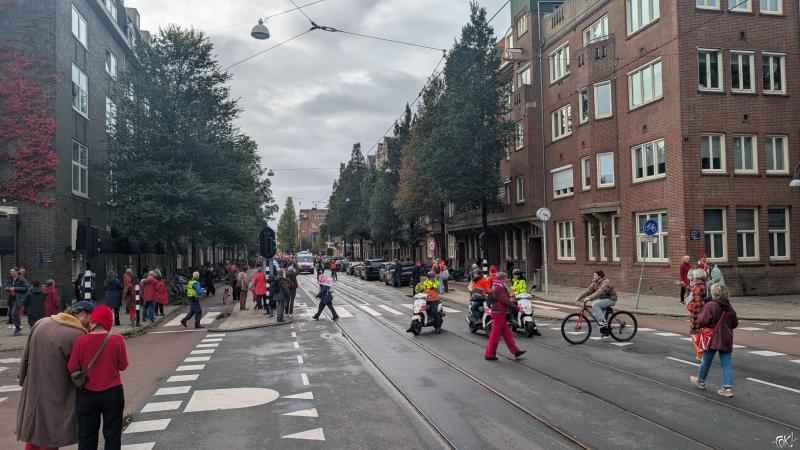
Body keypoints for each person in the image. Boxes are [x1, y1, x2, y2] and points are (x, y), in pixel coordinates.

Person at [16, 301, 95, 449]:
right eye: (91, 319)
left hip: (33, 387)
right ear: (83, 314)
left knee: (35, 431)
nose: (91, 324)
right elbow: (80, 370)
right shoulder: (78, 335)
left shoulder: (41, 323)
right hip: (59, 391)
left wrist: (22, 378)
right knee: (52, 434)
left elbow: (25, 356)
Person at [68, 305, 128, 450]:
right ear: (108, 322)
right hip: (112, 392)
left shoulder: (81, 341)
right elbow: (123, 365)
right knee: (112, 433)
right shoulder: (117, 339)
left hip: (87, 393)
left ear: (93, 321)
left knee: (87, 435)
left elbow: (72, 367)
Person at [690, 284, 738, 398]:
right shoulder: (729, 307)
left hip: (712, 338)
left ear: (714, 293)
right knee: (726, 364)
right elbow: (735, 324)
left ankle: (700, 381)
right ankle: (727, 389)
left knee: (706, 360)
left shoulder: (711, 305)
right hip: (726, 338)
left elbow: (701, 321)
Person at [484, 273, 525, 361]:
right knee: (495, 335)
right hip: (498, 313)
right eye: (506, 278)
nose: (507, 280)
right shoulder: (499, 287)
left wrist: (510, 298)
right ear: (502, 278)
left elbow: (503, 298)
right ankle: (489, 354)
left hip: (500, 312)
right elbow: (505, 301)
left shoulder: (497, 286)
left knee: (507, 334)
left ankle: (516, 351)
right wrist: (517, 308)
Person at [575, 270, 618, 336]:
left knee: (595, 305)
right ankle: (605, 330)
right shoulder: (595, 282)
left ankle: (603, 323)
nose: (594, 276)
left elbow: (600, 292)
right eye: (593, 275)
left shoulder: (606, 282)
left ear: (600, 276)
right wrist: (579, 297)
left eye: (595, 275)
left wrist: (589, 298)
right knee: (595, 315)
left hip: (611, 299)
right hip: (603, 299)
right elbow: (588, 291)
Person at [686, 269, 708, 361]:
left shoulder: (698, 287)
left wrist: (688, 305)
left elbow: (698, 304)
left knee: (694, 333)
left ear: (696, 277)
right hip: (704, 314)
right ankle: (701, 353)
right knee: (701, 334)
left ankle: (700, 352)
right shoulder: (704, 285)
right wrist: (686, 286)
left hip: (697, 316)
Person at [5, 267, 29, 336]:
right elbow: (7, 286)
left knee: (14, 313)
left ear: (17, 272)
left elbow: (26, 288)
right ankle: (18, 328)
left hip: (18, 298)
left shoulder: (22, 279)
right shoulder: (10, 279)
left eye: (12, 271)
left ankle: (17, 329)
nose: (11, 272)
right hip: (11, 298)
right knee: (14, 314)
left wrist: (15, 288)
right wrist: (7, 288)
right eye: (10, 271)